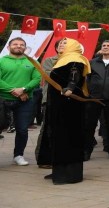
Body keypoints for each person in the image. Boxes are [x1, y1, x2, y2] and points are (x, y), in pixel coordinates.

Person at [39, 38, 91, 184]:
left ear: (73, 46)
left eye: (64, 44)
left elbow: (75, 74)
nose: (61, 45)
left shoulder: (76, 59)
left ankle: (70, 174)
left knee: (68, 136)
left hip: (69, 104)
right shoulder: (61, 60)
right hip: (58, 103)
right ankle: (59, 169)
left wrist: (70, 88)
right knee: (57, 135)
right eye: (60, 44)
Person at [0, 37, 41, 166]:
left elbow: (37, 78)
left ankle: (18, 155)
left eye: (21, 44)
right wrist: (13, 90)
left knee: (22, 129)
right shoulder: (1, 61)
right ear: (8, 47)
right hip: (3, 99)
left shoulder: (33, 62)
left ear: (25, 48)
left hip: (25, 100)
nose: (18, 46)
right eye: (15, 44)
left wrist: (24, 89)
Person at [83, 40, 109, 161]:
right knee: (89, 125)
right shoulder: (92, 62)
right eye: (104, 46)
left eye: (108, 46)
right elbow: (88, 79)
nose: (106, 47)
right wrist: (91, 92)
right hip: (94, 98)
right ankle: (86, 151)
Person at [35, 39, 65, 167]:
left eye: (67, 44)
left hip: (69, 100)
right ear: (56, 48)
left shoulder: (77, 61)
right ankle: (44, 158)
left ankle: (61, 157)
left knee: (64, 129)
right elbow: (52, 77)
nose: (64, 46)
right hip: (51, 99)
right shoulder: (49, 61)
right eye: (61, 45)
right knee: (47, 128)